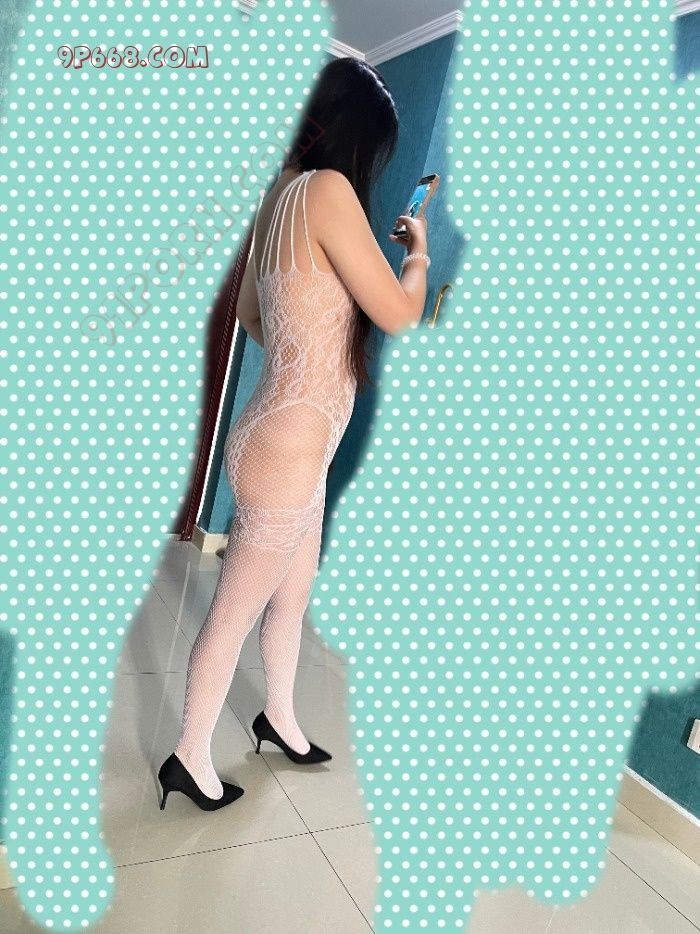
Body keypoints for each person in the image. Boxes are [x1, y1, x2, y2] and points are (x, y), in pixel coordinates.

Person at [157, 57, 431, 811]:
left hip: (286, 439)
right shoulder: (330, 190)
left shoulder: (281, 193)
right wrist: (417, 250)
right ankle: (188, 756)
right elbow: (400, 313)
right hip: (289, 451)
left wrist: (307, 340)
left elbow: (252, 313)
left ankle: (278, 718)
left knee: (292, 593)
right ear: (357, 134)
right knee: (236, 611)